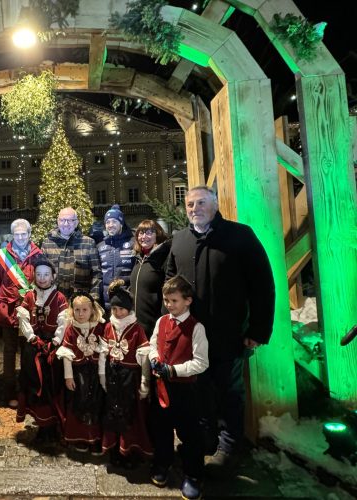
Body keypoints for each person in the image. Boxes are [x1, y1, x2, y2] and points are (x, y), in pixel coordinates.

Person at [166, 185, 275, 475]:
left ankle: (229, 446)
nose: (194, 208)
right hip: (192, 337)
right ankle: (206, 440)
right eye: (189, 204)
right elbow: (170, 280)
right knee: (199, 391)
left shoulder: (240, 236)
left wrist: (258, 329)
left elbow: (262, 285)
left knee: (229, 391)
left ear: (215, 205)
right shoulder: (179, 240)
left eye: (201, 202)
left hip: (229, 333)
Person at [148, 276, 209, 500]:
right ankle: (162, 462)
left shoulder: (196, 328)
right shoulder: (162, 321)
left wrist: (174, 371)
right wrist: (155, 358)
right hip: (162, 387)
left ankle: (193, 475)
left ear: (188, 301)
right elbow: (153, 343)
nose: (169, 305)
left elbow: (201, 362)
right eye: (166, 300)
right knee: (161, 428)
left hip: (185, 390)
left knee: (190, 433)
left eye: (174, 300)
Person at [99, 279, 152, 467]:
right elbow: (103, 354)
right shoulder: (108, 327)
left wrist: (145, 383)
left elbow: (145, 357)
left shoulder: (137, 329)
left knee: (131, 416)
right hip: (113, 378)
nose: (117, 313)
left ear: (129, 309)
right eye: (114, 309)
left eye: (121, 309)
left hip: (130, 379)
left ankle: (129, 450)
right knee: (112, 414)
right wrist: (102, 377)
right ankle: (114, 449)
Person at [16, 258, 68, 444]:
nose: (42, 278)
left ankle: (53, 426)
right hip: (33, 347)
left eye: (46, 274)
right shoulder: (29, 296)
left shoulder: (60, 297)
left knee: (51, 386)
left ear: (53, 276)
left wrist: (54, 342)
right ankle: (41, 424)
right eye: (39, 274)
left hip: (52, 349)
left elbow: (63, 322)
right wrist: (32, 338)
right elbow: (22, 318)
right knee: (34, 385)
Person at [0, 218, 42, 408]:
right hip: (9, 310)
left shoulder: (38, 254)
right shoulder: (1, 256)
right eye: (17, 234)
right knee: (8, 352)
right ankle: (9, 391)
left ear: (29, 234)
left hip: (29, 312)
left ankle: (26, 391)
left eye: (24, 234)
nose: (20, 237)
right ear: (12, 235)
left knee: (28, 353)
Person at [56, 293, 105, 454]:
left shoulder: (99, 327)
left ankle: (95, 439)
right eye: (77, 310)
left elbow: (104, 352)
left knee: (96, 405)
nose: (81, 314)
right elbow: (66, 353)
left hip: (95, 374)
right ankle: (80, 437)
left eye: (84, 310)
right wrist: (68, 376)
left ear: (92, 310)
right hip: (78, 374)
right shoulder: (71, 328)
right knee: (78, 405)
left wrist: (102, 374)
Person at [41, 207, 102, 300]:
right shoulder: (47, 243)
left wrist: (94, 299)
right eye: (62, 220)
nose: (66, 224)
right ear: (58, 221)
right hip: (54, 301)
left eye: (70, 220)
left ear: (76, 222)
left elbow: (96, 274)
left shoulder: (88, 243)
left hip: (81, 302)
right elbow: (42, 272)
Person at [129, 219, 171, 337]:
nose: (144, 237)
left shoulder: (164, 258)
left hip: (155, 326)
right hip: (136, 325)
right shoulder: (139, 259)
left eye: (149, 232)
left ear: (158, 234)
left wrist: (164, 321)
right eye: (141, 233)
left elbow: (168, 290)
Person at [96, 205, 135, 313]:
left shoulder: (133, 243)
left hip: (127, 303)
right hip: (106, 304)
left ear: (121, 223)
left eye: (114, 221)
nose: (110, 225)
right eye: (107, 222)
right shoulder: (100, 246)